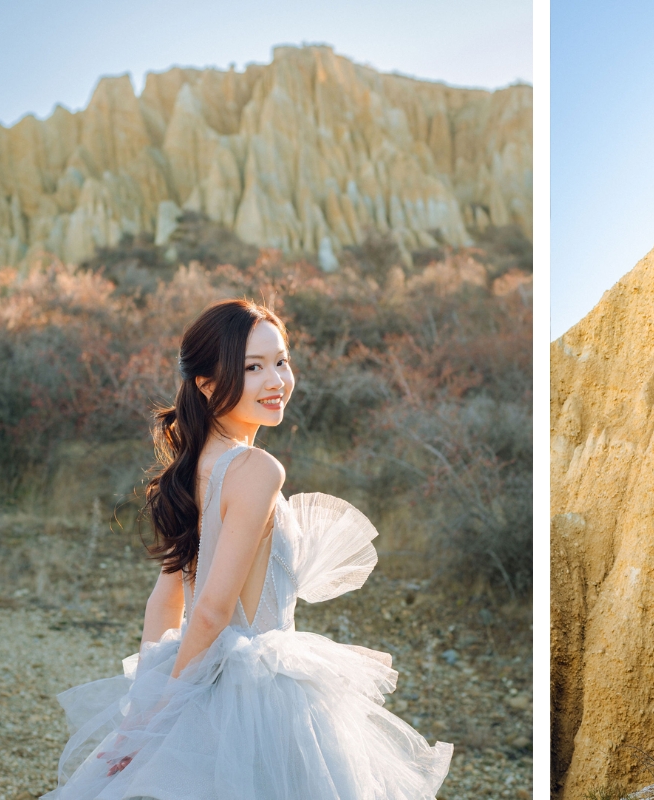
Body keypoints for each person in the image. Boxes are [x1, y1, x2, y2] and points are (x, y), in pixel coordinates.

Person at [42, 299, 452, 799]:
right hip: (261, 692)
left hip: (202, 678)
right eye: (252, 368)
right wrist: (154, 715)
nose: (276, 380)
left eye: (280, 361)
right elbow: (211, 611)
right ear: (207, 383)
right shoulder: (257, 470)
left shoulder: (193, 467)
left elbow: (165, 601)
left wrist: (150, 706)